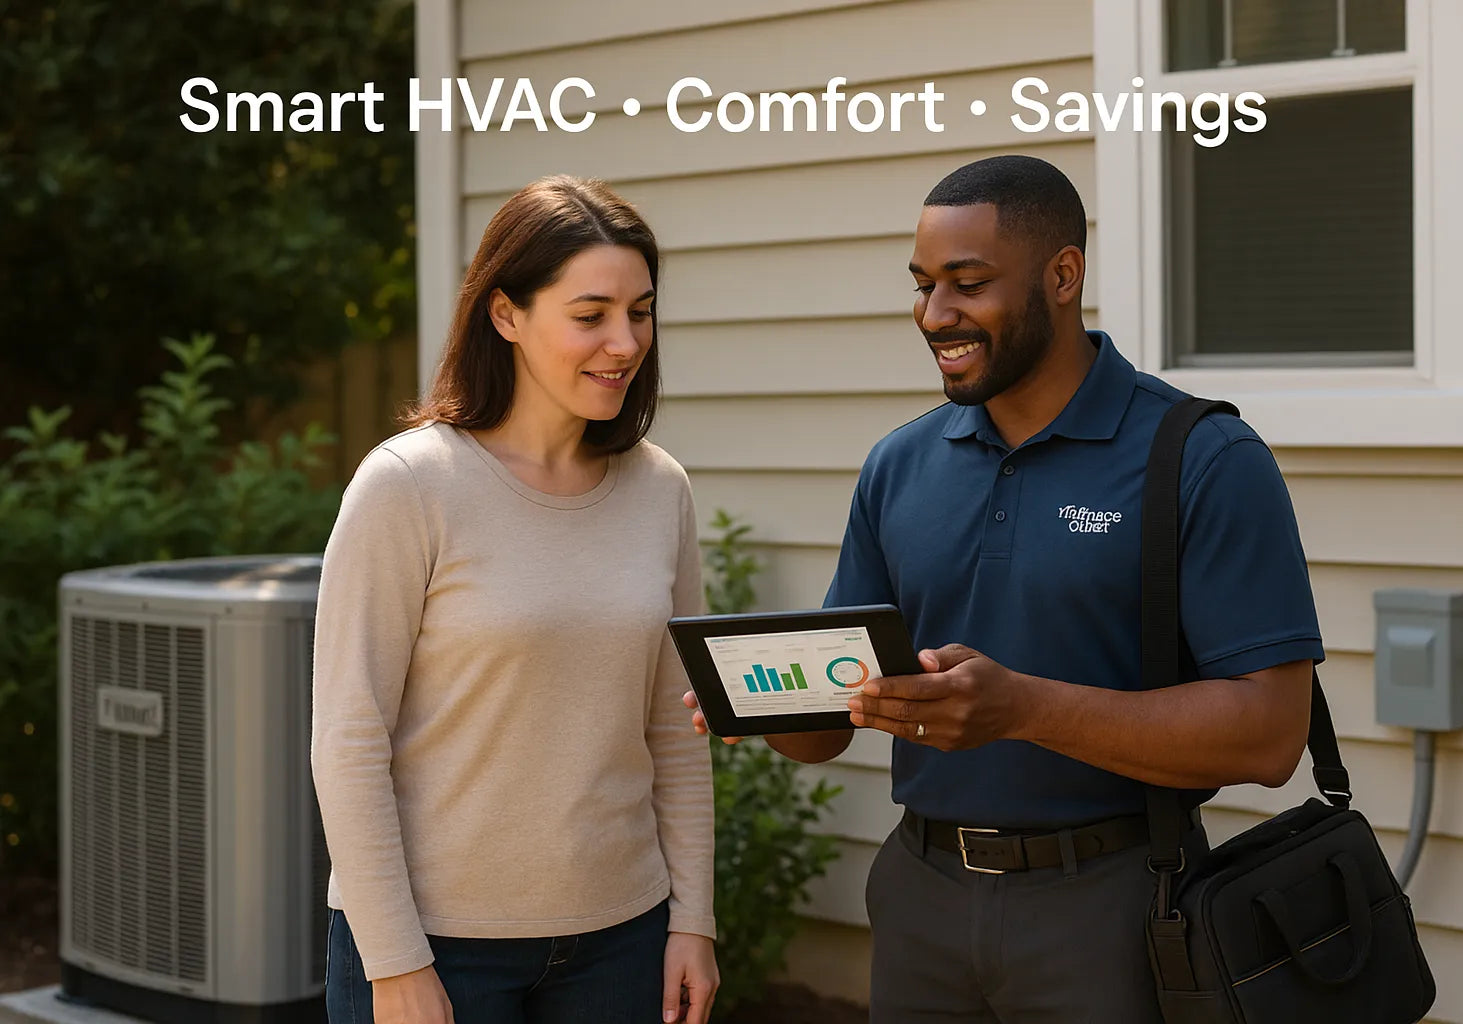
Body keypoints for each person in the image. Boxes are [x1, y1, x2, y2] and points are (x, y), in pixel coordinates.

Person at [685, 154, 1324, 1022]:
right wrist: (759, 703)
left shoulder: (1203, 459)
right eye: (921, 285)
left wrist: (1022, 708)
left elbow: (1270, 737)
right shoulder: (898, 465)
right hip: (920, 901)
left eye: (968, 284)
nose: (933, 315)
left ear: (1063, 276)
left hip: (1113, 905)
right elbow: (829, 729)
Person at [313, 174, 719, 1024]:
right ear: (505, 315)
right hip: (437, 948)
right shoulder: (407, 486)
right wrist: (394, 964)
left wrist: (693, 920)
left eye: (640, 311)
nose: (624, 340)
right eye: (590, 314)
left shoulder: (661, 491)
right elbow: (350, 741)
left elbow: (673, 731)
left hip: (623, 940)